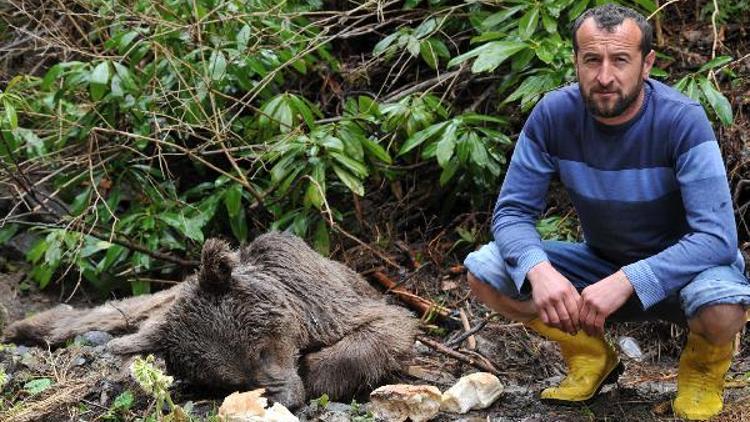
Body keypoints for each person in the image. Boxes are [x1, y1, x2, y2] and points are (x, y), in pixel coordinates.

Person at [464, 4, 750, 420]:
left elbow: (717, 238)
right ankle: (590, 356)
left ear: (646, 63)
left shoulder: (682, 121)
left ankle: (702, 373)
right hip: (600, 265)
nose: (604, 77)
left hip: (683, 276)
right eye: (592, 60)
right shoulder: (553, 115)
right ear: (576, 61)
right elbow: (511, 212)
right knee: (486, 270)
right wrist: (538, 269)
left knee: (724, 303)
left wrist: (631, 278)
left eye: (620, 60)